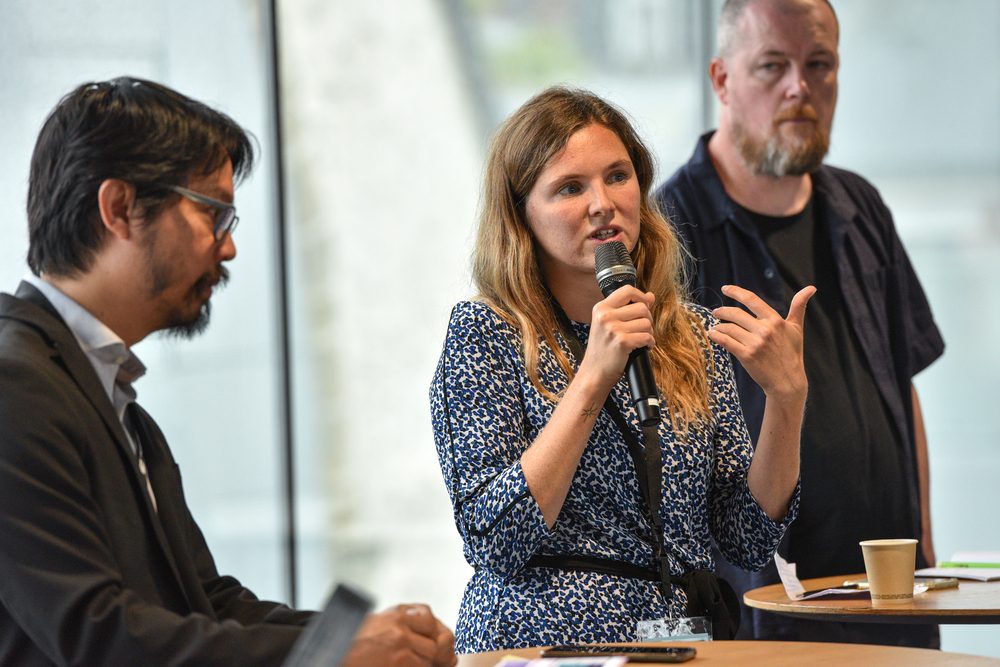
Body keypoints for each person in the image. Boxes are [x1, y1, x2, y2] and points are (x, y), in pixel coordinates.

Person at [0, 77, 455, 667]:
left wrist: (364, 639)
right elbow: (100, 636)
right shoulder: (16, 386)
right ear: (118, 209)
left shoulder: (109, 397)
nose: (229, 248)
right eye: (213, 214)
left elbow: (205, 603)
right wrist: (336, 655)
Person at [430, 86, 815, 652]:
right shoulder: (485, 333)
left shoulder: (690, 335)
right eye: (569, 188)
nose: (602, 203)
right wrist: (593, 375)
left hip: (676, 646)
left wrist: (787, 400)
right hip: (541, 648)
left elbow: (748, 536)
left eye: (617, 176)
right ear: (521, 216)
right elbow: (497, 539)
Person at [654, 0, 944, 648]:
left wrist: (925, 540)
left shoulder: (859, 205)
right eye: (772, 67)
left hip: (893, 598)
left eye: (820, 65)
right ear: (723, 80)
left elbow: (904, 382)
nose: (800, 88)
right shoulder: (668, 235)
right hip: (761, 608)